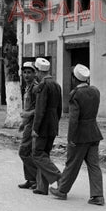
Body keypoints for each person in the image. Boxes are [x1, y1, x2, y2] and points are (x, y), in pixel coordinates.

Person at [50, 64, 105, 206]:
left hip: (80, 135)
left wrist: (71, 138)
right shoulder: (95, 91)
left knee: (72, 164)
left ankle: (62, 190)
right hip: (94, 132)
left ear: (74, 78)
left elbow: (74, 120)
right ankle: (98, 195)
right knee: (94, 165)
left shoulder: (75, 94)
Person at [31, 57, 62, 195]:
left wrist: (35, 128)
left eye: (36, 71)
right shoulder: (56, 85)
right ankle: (42, 186)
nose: (35, 74)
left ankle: (58, 176)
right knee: (45, 155)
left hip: (43, 125)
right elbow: (59, 109)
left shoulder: (43, 85)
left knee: (37, 154)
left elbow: (40, 109)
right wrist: (55, 123)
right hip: (53, 124)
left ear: (38, 71)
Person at [17, 61, 39, 189]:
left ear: (35, 74)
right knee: (27, 152)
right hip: (27, 123)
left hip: (33, 124)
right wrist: (23, 123)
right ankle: (30, 179)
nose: (26, 75)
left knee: (23, 152)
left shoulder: (35, 88)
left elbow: (39, 108)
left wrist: (28, 114)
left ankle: (37, 178)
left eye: (29, 72)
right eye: (24, 72)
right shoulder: (27, 87)